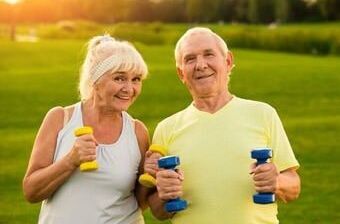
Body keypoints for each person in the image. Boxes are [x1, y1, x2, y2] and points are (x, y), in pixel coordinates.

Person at [145, 27, 301, 223]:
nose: (200, 65)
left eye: (208, 54)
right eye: (190, 59)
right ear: (181, 73)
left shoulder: (263, 114)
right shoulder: (166, 128)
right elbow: (158, 211)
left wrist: (276, 181)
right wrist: (163, 193)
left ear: (228, 61)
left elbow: (293, 186)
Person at [23, 35, 150, 224]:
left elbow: (140, 201)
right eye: (119, 78)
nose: (129, 88)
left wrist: (153, 175)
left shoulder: (137, 131)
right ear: (95, 80)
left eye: (136, 79)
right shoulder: (60, 119)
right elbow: (31, 191)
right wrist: (70, 161)